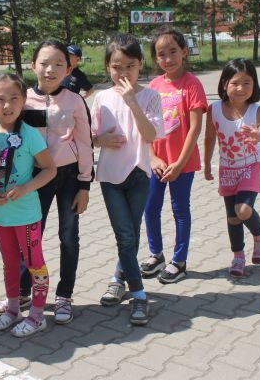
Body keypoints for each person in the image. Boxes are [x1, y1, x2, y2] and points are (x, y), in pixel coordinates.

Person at [2, 40, 93, 324]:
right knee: (29, 237)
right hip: (35, 178)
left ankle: (64, 295)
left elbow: (85, 143)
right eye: (44, 63)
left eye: (58, 64)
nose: (50, 70)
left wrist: (84, 184)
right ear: (33, 66)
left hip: (68, 177)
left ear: (69, 69)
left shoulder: (75, 101)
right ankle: (23, 292)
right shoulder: (23, 99)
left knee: (68, 236)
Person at [91, 34, 164, 324]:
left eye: (130, 66)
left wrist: (132, 101)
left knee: (130, 236)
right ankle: (139, 296)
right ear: (107, 67)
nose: (123, 73)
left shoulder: (150, 96)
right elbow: (91, 137)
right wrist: (101, 139)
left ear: (141, 64)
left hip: (139, 175)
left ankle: (117, 279)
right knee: (125, 236)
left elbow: (150, 135)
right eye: (116, 67)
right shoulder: (101, 98)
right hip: (110, 177)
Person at [0, 73, 57, 336]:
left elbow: (49, 169)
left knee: (35, 263)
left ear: (24, 100)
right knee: (9, 264)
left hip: (26, 215)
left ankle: (37, 315)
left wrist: (25, 188)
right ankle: (13, 309)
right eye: (0, 99)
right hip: (1, 215)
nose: (7, 105)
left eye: (14, 98)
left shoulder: (30, 135)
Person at [204, 58, 260, 277]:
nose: (241, 88)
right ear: (224, 84)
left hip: (253, 164)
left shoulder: (256, 111)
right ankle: (238, 256)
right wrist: (207, 164)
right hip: (227, 168)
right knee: (233, 217)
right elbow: (209, 138)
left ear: (254, 85)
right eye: (235, 83)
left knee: (242, 210)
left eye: (247, 83)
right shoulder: (214, 109)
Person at [139, 26, 208, 284]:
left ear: (184, 52)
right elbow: (145, 127)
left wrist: (179, 163)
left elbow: (195, 128)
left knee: (180, 210)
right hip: (156, 162)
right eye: (161, 54)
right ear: (155, 58)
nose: (168, 59)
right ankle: (156, 255)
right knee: (150, 207)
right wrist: (152, 157)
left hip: (182, 164)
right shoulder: (153, 86)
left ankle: (179, 261)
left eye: (173, 51)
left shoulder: (192, 84)